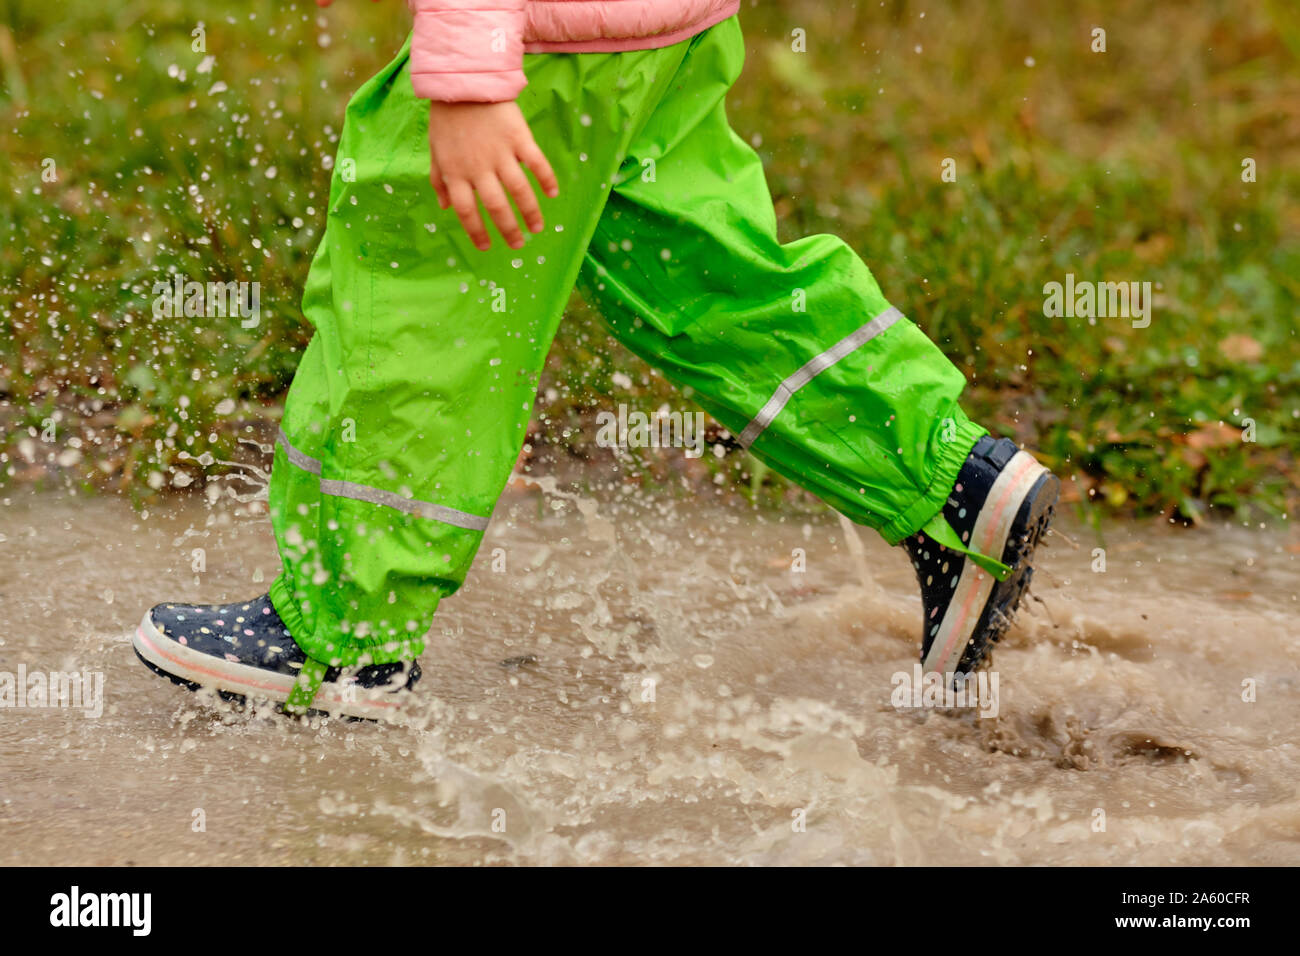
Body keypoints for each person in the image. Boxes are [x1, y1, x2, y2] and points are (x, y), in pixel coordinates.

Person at [133, 0, 1058, 720]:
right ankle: (945, 479)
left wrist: (467, 72)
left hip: (536, 50)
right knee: (708, 280)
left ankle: (343, 633)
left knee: (424, 301)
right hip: (656, 34)